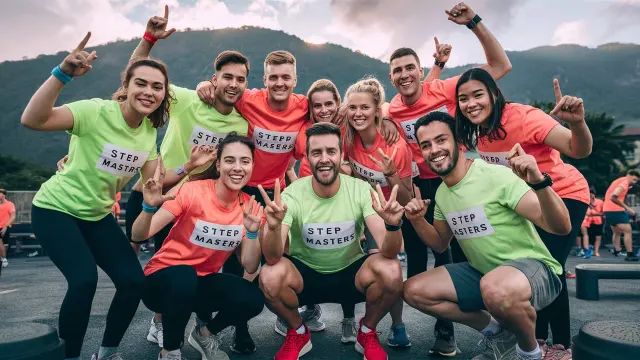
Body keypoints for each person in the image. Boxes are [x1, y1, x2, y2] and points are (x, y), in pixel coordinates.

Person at [19, 32, 183, 360]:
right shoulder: (95, 112)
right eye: (141, 83)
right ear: (126, 87)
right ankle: (70, 356)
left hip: (96, 216)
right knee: (83, 281)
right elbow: (32, 119)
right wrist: (62, 74)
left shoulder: (149, 132)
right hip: (56, 210)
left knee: (133, 281)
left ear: (164, 94)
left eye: (157, 86)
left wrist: (195, 166)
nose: (149, 91)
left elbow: (156, 180)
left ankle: (106, 353)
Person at [386, 2, 513, 355]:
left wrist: (473, 22)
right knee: (414, 257)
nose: (404, 74)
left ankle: (454, 330)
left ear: (420, 69)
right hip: (414, 188)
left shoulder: (444, 90)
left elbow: (500, 66)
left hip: (455, 184)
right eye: (397, 70)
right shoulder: (389, 109)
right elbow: (358, 112)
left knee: (454, 258)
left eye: (410, 67)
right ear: (391, 77)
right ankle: (417, 326)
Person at [402, 111, 567, 360]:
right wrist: (416, 220)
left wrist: (539, 182)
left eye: (441, 140)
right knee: (413, 290)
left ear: (458, 141)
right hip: (485, 275)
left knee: (496, 287)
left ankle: (529, 353)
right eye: (426, 145)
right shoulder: (443, 194)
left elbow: (559, 226)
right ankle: (498, 334)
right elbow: (439, 243)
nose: (434, 149)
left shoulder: (496, 176)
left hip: (536, 271)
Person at [454, 67, 593, 356]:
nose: (471, 103)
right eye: (463, 98)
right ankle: (538, 338)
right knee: (530, 267)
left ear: (494, 94)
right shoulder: (479, 131)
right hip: (528, 200)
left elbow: (577, 149)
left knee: (550, 265)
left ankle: (561, 346)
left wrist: (577, 124)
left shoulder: (524, 117)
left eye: (478, 94)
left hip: (563, 193)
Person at [258, 122, 405, 360]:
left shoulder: (359, 189)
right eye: (316, 153)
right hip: (306, 278)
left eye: (331, 151)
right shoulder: (293, 193)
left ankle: (367, 331)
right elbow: (273, 257)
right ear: (307, 157)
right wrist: (273, 227)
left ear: (341, 155)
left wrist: (392, 225)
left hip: (351, 275)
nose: (324, 158)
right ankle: (298, 331)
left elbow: (389, 252)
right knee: (270, 275)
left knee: (391, 269)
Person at [131, 134, 266, 360]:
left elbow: (250, 266)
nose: (238, 167)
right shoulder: (193, 190)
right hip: (161, 283)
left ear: (252, 165)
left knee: (252, 297)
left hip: (200, 285)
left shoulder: (250, 206)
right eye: (230, 160)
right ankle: (170, 350)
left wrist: (252, 232)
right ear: (219, 163)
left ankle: (204, 334)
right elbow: (139, 234)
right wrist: (148, 207)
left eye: (245, 161)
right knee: (184, 276)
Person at [343, 77, 416, 347]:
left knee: (389, 269)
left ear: (377, 111)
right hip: (361, 214)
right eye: (352, 108)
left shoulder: (395, 147)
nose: (358, 113)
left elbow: (408, 198)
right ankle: (357, 321)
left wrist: (392, 175)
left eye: (365, 108)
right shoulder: (347, 138)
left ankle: (394, 326)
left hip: (391, 217)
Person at [603, 169, 640, 261]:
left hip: (608, 209)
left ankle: (617, 250)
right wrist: (628, 208)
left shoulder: (619, 181)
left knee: (617, 232)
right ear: (629, 175)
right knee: (628, 231)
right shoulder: (624, 182)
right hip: (616, 210)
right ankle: (630, 255)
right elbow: (613, 196)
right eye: (634, 180)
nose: (634, 182)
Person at [585, 189, 604, 257]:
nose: (590, 194)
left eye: (592, 193)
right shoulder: (585, 201)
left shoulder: (600, 202)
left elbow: (603, 212)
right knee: (588, 237)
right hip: (587, 222)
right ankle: (587, 251)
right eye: (589, 193)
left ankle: (596, 251)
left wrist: (595, 214)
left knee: (598, 237)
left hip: (597, 222)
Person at [0, 188, 16, 269]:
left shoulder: (9, 204)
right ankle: (4, 259)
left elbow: (13, 216)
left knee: (5, 244)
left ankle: (3, 258)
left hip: (6, 225)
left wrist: (6, 226)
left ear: (3, 195)